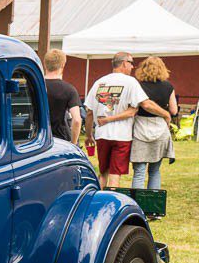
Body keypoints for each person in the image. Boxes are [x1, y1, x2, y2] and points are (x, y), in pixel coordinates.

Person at [84, 52, 172, 187]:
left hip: (101, 135)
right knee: (115, 175)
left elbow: (89, 112)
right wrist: (165, 114)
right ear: (124, 63)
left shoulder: (99, 82)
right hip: (122, 136)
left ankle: (96, 202)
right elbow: (146, 104)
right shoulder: (130, 82)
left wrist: (89, 135)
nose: (132, 67)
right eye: (131, 63)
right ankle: (110, 205)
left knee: (103, 173)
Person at [129, 56, 178, 190]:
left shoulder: (137, 86)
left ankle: (137, 204)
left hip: (140, 127)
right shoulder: (168, 86)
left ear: (142, 69)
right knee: (155, 171)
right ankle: (152, 204)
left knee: (139, 172)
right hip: (161, 128)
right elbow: (174, 110)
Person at [43, 49, 82, 144]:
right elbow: (77, 120)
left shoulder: (34, 86)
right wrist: (73, 143)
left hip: (38, 138)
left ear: (45, 64)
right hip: (61, 140)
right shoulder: (69, 89)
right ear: (63, 65)